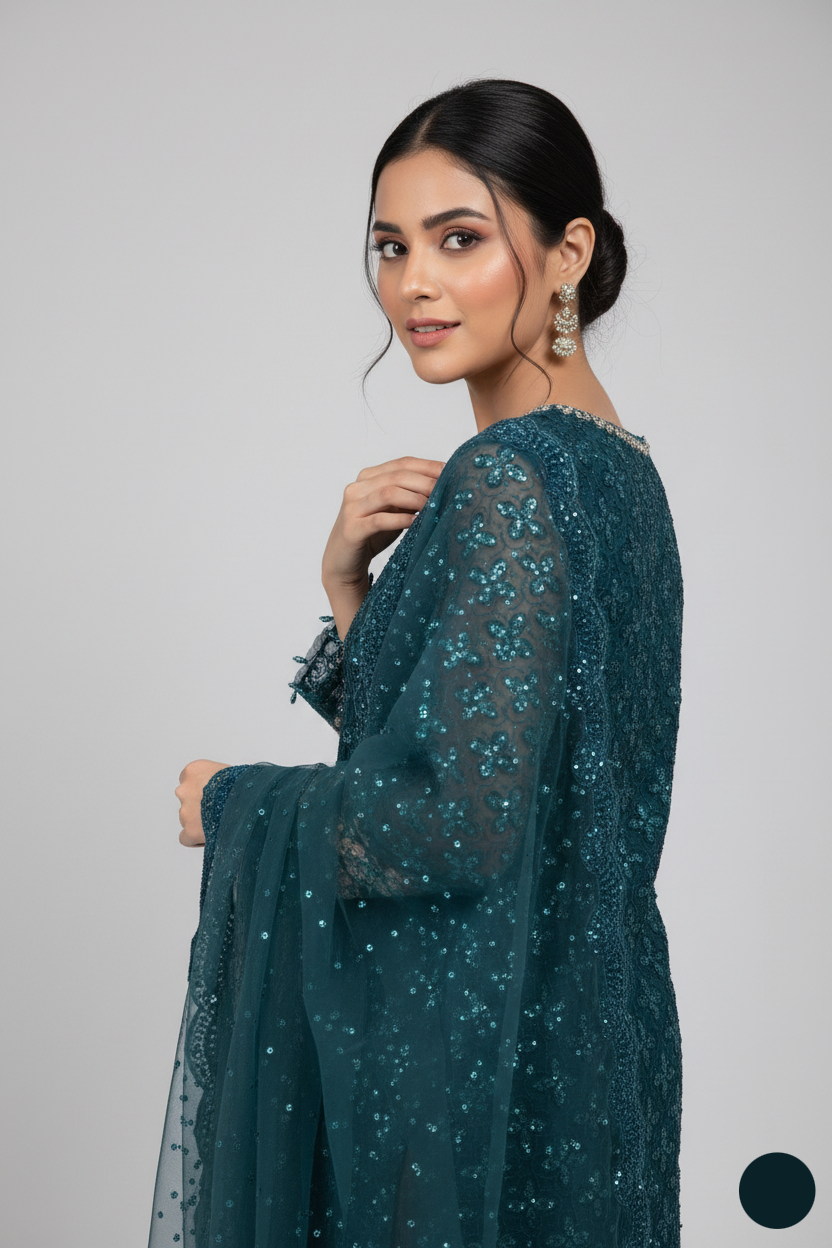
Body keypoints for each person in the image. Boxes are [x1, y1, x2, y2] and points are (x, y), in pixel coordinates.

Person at [149, 78, 684, 1248]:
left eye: (459, 238)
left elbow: (456, 829)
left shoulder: (505, 477)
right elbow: (506, 759)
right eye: (391, 247)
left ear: (566, 254)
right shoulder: (623, 473)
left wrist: (233, 801)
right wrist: (352, 592)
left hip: (482, 1091)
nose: (414, 285)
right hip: (599, 1058)